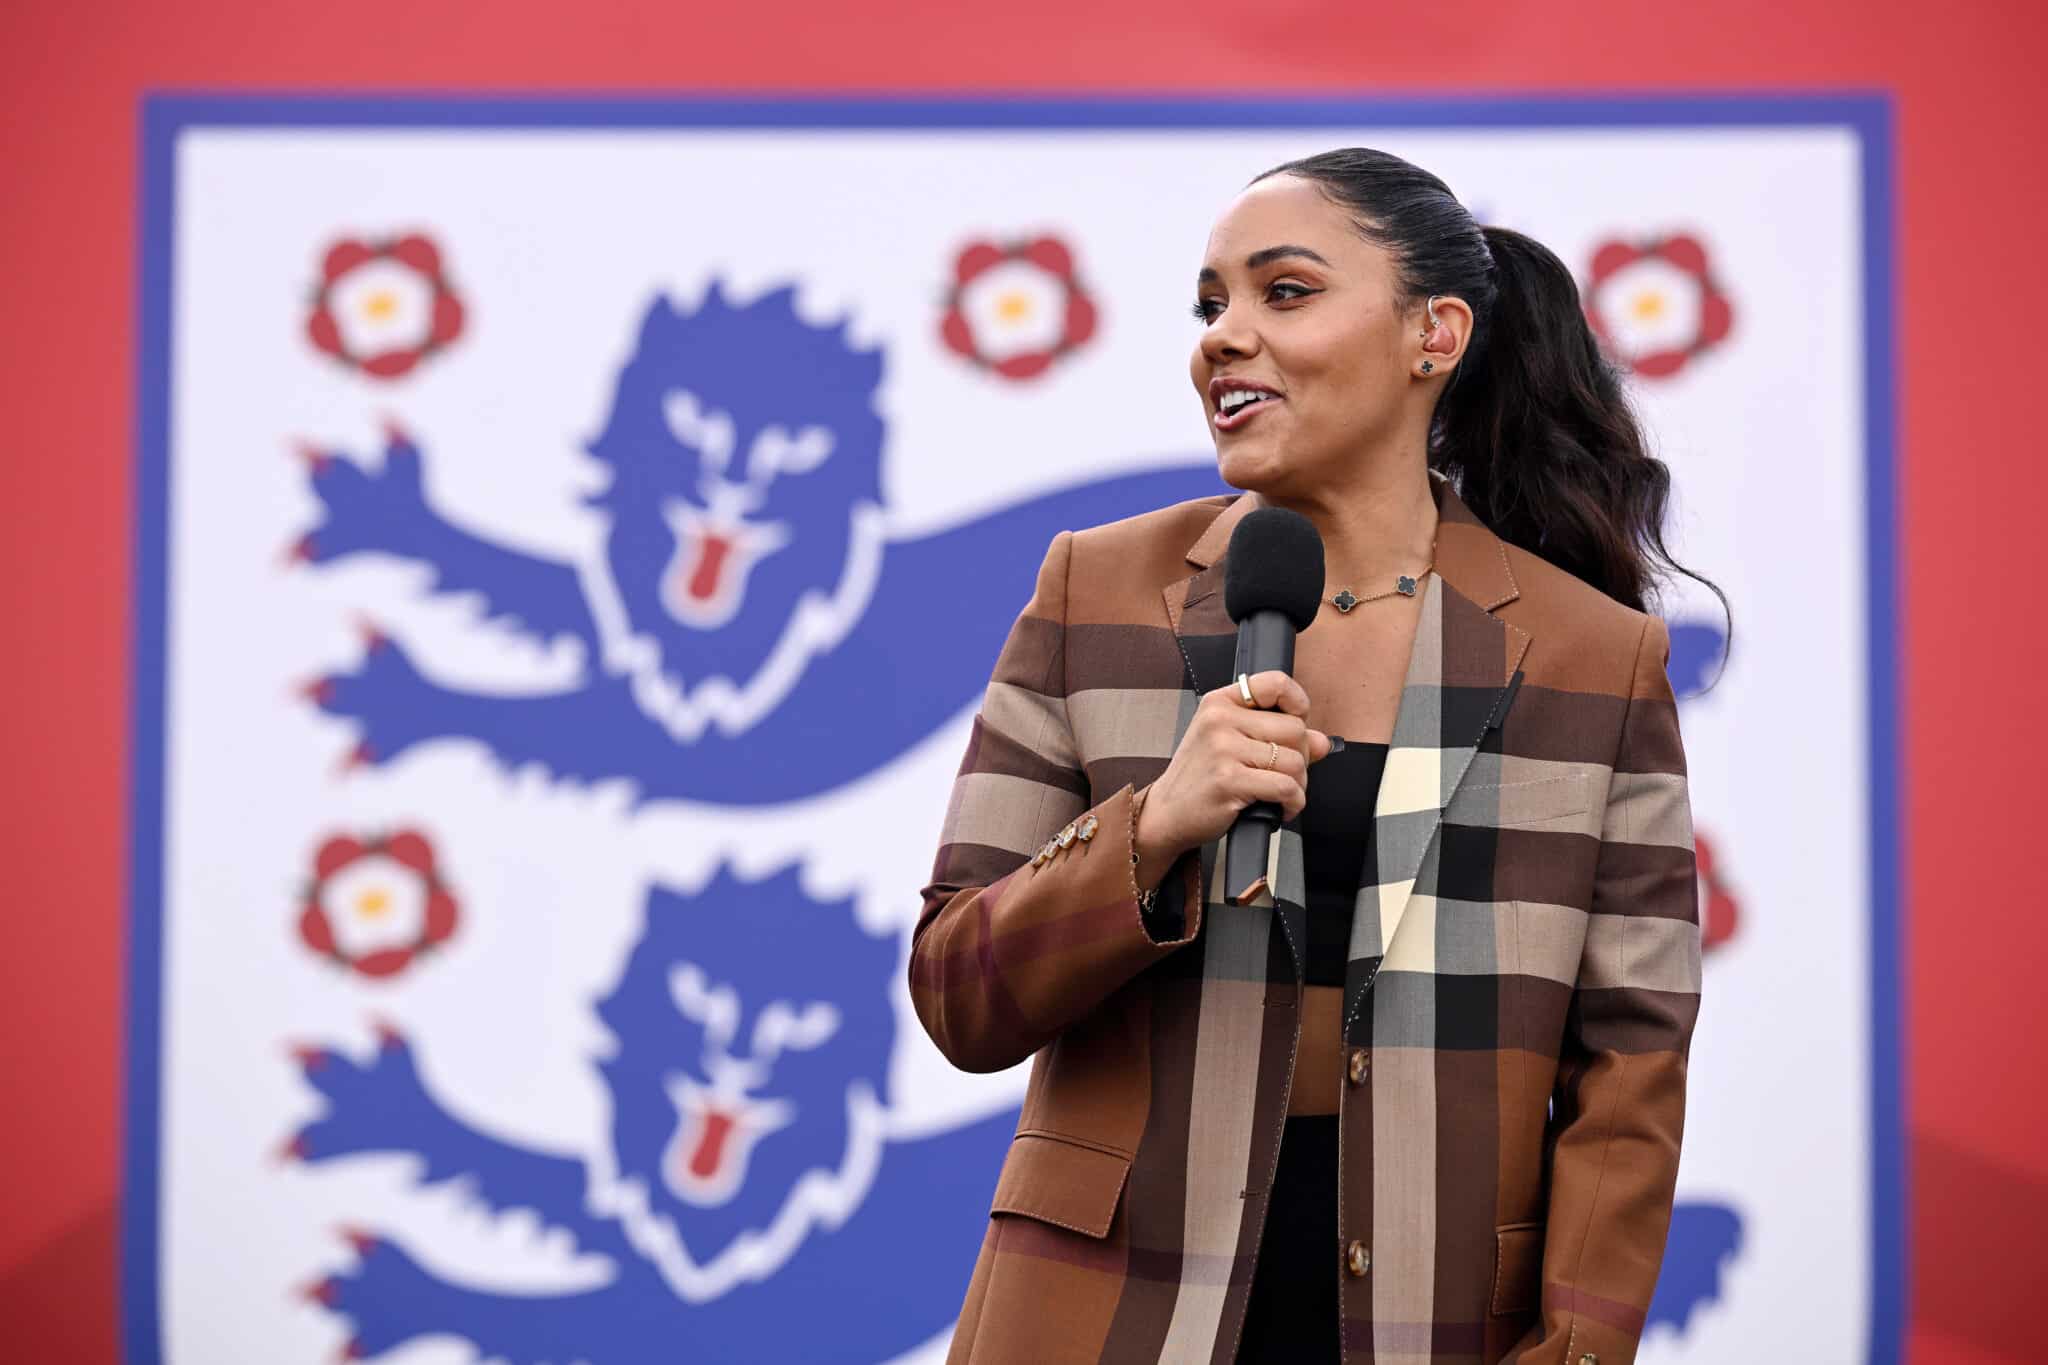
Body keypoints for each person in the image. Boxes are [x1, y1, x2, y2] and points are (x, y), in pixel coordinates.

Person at [910, 146, 1711, 1365]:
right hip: (1099, 1318)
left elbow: (1630, 1065)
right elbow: (958, 994)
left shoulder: (1595, 658)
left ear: (1431, 334)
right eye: (1209, 304)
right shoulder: (1093, 593)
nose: (1222, 337)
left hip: (1428, 1321)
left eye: (1282, 292)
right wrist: (1154, 823)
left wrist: (1576, 1350)